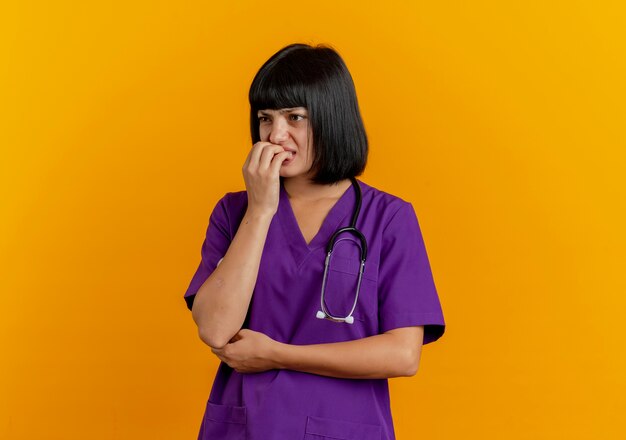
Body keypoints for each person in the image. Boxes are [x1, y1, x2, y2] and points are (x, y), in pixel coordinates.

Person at [183, 43, 446, 440]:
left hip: (344, 426)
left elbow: (403, 354)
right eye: (265, 118)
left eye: (295, 117)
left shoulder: (388, 218)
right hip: (246, 426)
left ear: (331, 118)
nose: (276, 134)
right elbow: (216, 329)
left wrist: (276, 355)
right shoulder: (235, 213)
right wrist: (260, 210)